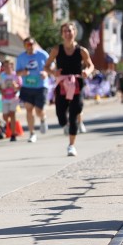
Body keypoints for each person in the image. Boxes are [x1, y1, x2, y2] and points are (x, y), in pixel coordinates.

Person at [44, 22, 94, 157]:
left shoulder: (82, 51)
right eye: (65, 31)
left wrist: (87, 72)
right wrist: (53, 73)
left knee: (74, 113)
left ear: (74, 33)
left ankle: (71, 145)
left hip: (77, 84)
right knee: (60, 114)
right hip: (62, 85)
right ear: (62, 34)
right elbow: (46, 66)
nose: (68, 33)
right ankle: (65, 125)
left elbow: (90, 65)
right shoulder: (57, 50)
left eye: (70, 31)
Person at [15, 36, 49, 142]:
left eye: (31, 44)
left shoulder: (43, 55)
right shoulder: (21, 57)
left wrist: (46, 73)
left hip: (41, 86)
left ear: (35, 44)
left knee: (39, 111)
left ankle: (43, 119)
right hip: (27, 86)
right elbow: (17, 72)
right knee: (29, 109)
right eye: (27, 44)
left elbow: (51, 67)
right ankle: (32, 133)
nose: (29, 46)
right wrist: (23, 73)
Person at [0, 57, 22, 142]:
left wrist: (16, 86)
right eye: (5, 66)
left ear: (12, 66)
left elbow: (20, 85)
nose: (7, 68)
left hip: (14, 97)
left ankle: (13, 134)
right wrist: (1, 90)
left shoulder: (16, 75)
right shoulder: (2, 75)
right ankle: (9, 125)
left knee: (12, 114)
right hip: (5, 97)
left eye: (8, 66)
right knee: (5, 116)